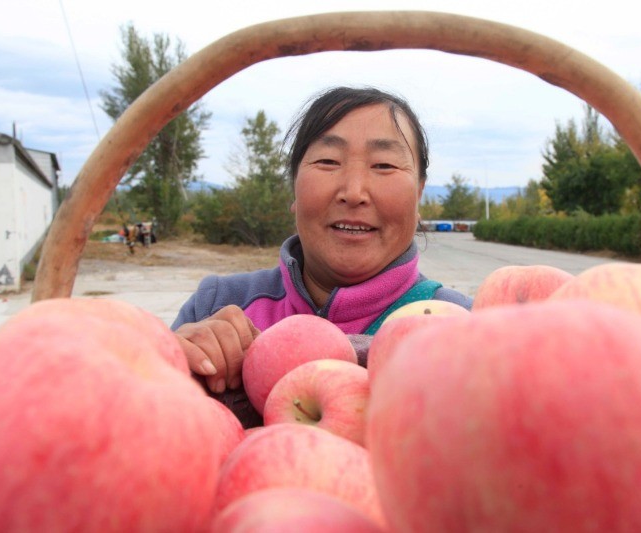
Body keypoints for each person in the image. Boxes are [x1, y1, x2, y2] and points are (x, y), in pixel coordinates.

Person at [171, 86, 472, 423]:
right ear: (294, 188)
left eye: (384, 165)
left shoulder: (465, 327)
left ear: (419, 194)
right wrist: (173, 366)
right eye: (328, 162)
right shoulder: (216, 306)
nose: (354, 192)